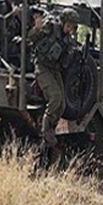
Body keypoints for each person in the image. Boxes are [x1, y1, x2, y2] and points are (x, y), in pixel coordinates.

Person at [30, 8, 79, 147]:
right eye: (68, 25)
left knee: (62, 104)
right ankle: (46, 130)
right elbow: (31, 37)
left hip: (54, 68)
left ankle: (51, 128)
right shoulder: (50, 27)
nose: (70, 29)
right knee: (55, 97)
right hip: (42, 66)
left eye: (72, 27)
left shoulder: (68, 38)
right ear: (63, 22)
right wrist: (37, 29)